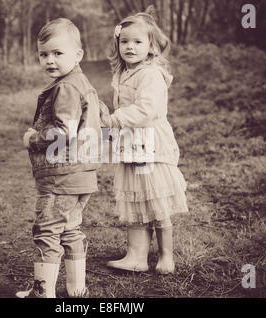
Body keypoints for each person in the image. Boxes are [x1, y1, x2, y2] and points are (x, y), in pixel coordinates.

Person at [17, 18, 102, 298]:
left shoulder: (65, 88)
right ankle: (76, 291)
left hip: (60, 176)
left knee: (47, 230)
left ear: (78, 54)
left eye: (57, 53)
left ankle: (43, 293)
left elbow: (63, 133)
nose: (49, 60)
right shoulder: (83, 83)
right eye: (44, 54)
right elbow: (101, 116)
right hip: (82, 176)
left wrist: (33, 139)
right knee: (70, 229)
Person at [100, 8, 188, 274]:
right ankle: (136, 256)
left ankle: (166, 256)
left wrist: (114, 119)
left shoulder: (150, 74)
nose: (130, 46)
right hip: (132, 145)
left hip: (149, 145)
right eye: (124, 41)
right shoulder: (125, 72)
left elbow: (146, 110)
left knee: (156, 201)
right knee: (136, 200)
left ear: (151, 47)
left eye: (138, 42)